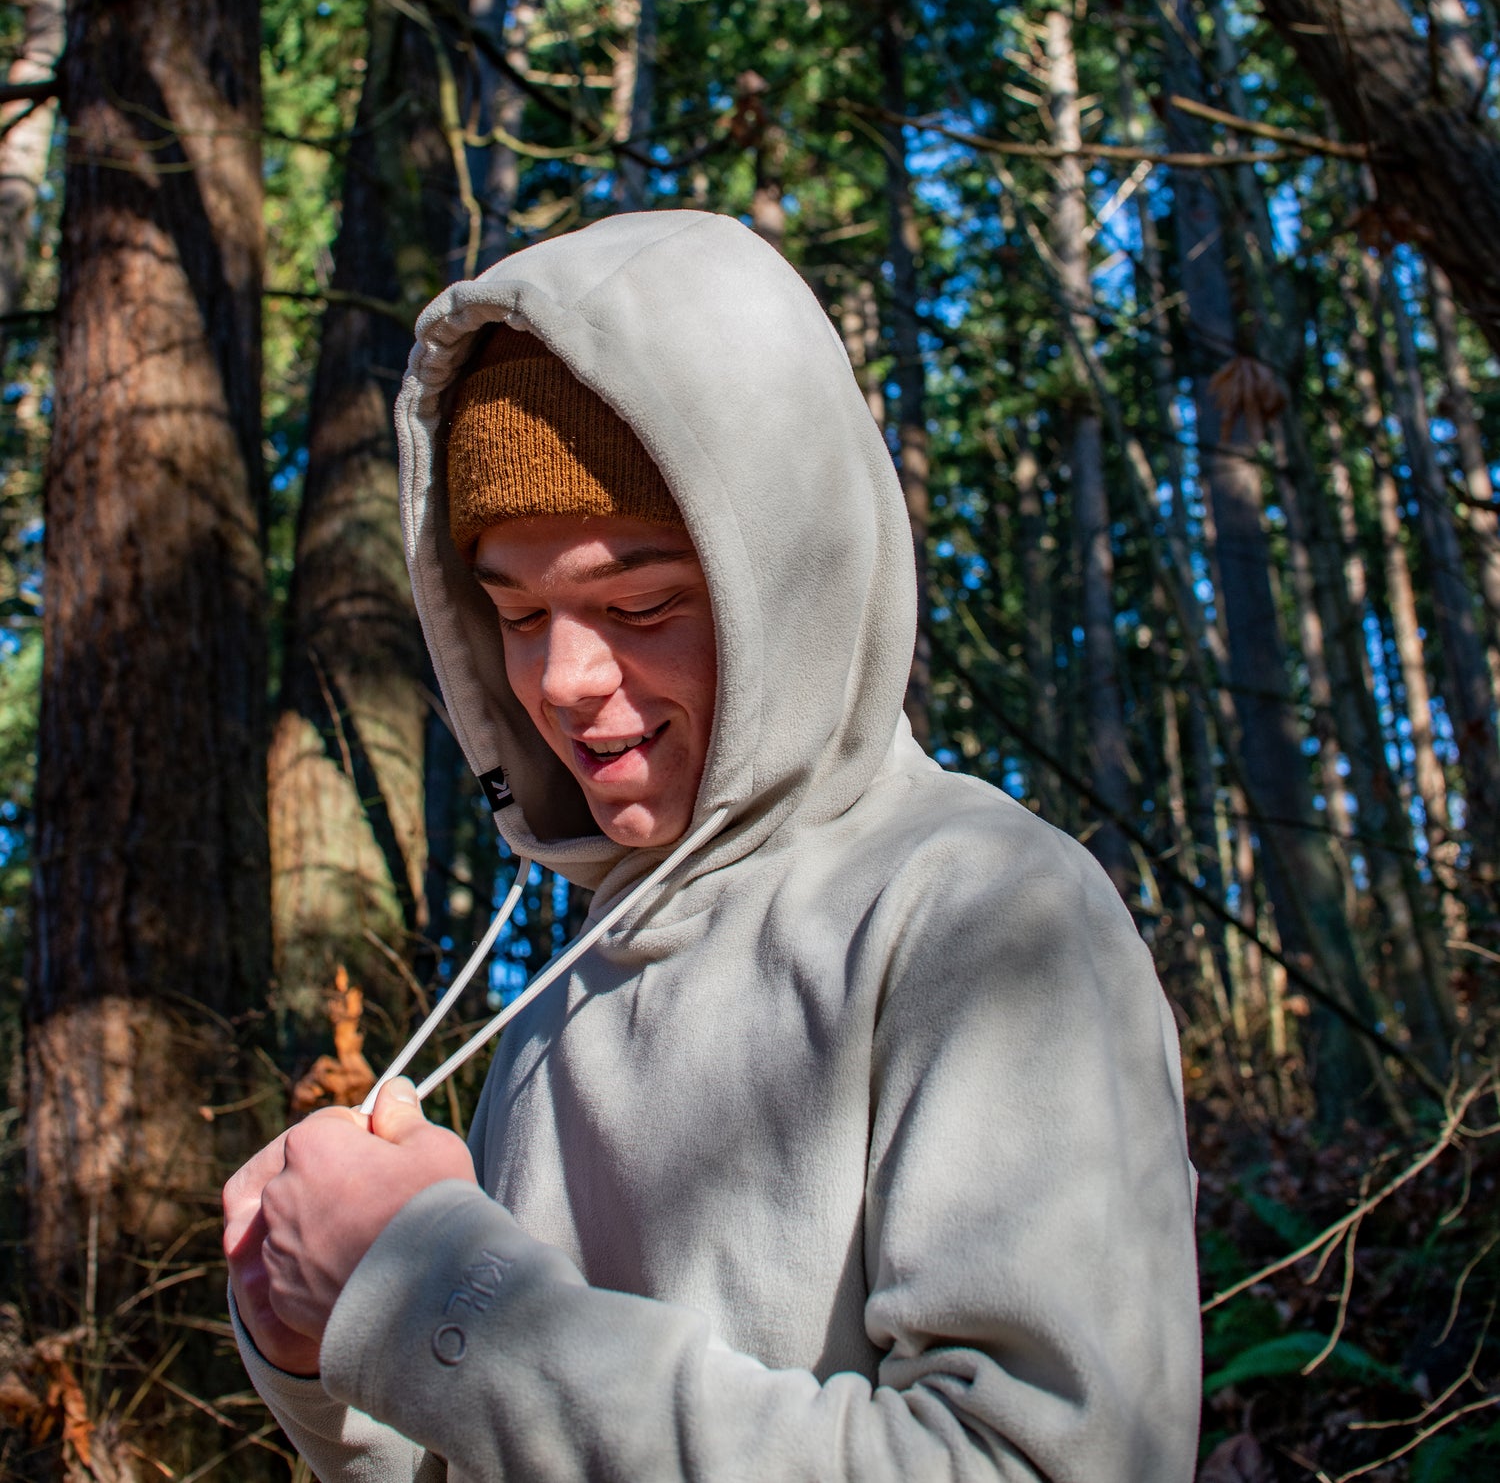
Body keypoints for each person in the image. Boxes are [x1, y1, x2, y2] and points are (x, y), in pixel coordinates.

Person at [223, 209, 1200, 1481]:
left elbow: (1041, 1465)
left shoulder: (986, 913)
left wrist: (437, 1299)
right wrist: (322, 1341)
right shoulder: (552, 1008)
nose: (564, 680)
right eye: (517, 614)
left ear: (789, 582)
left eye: (641, 603)